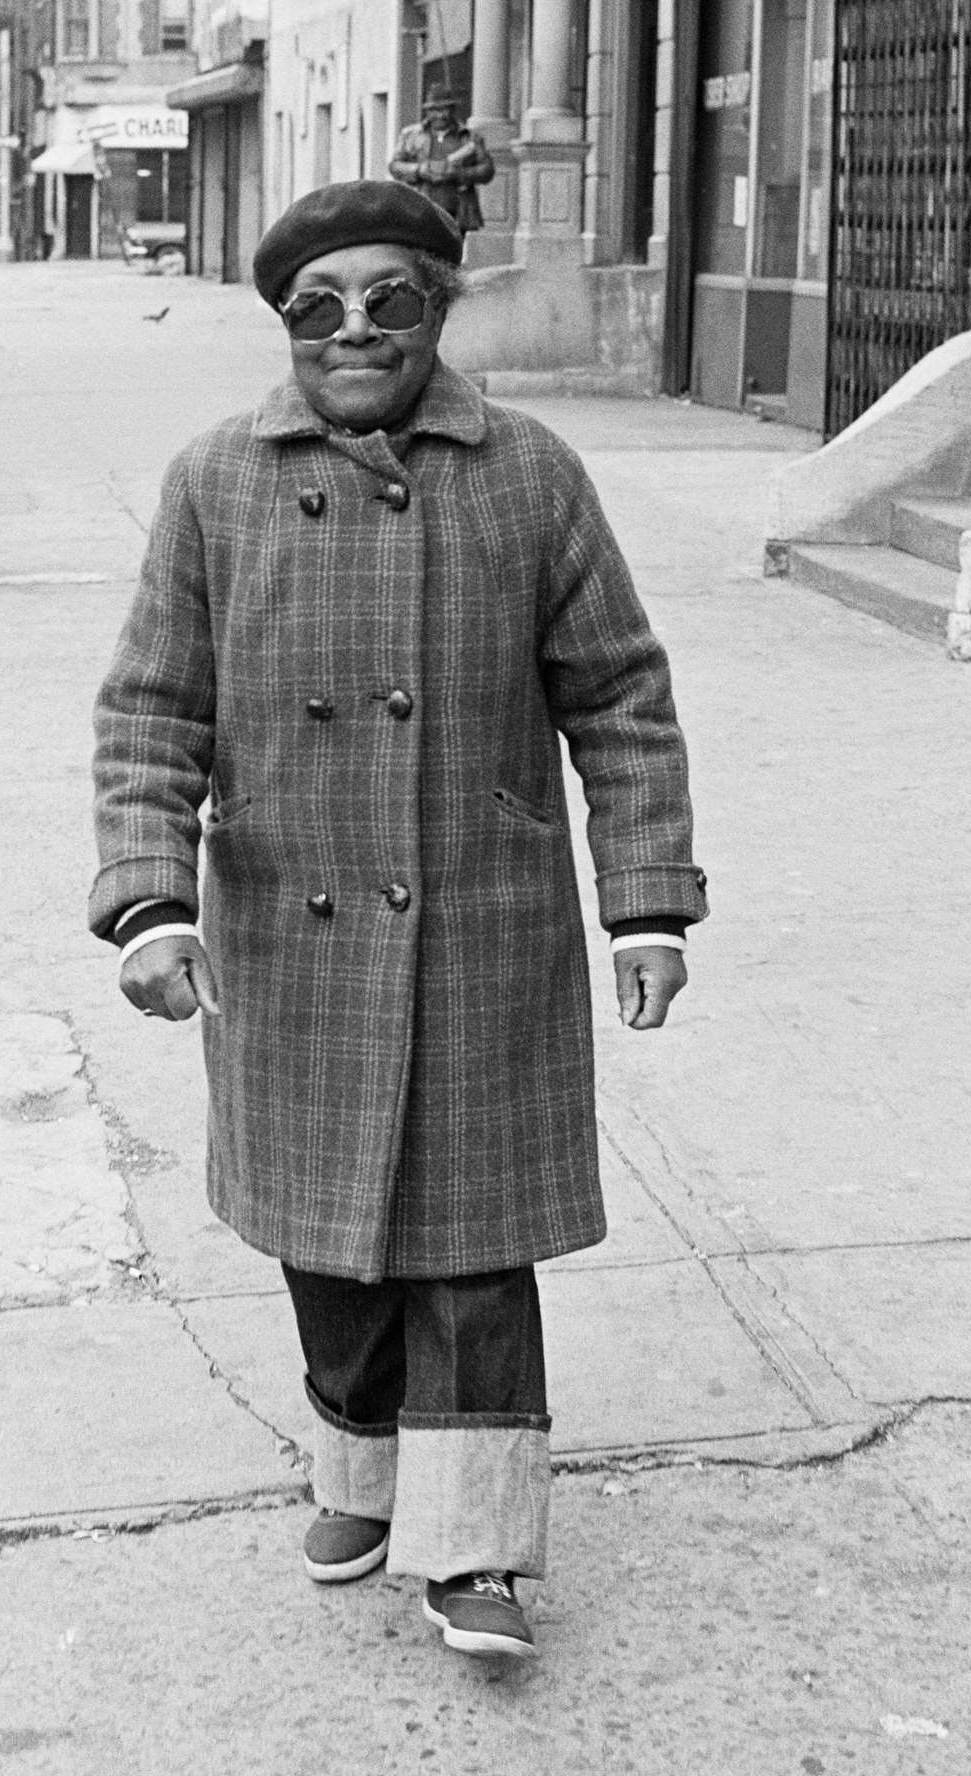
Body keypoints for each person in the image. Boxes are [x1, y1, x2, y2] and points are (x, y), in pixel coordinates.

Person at [89, 180, 707, 1661]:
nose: (353, 332)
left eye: (391, 301)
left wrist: (645, 908)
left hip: (483, 918)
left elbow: (619, 695)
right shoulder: (215, 480)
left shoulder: (531, 473)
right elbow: (151, 709)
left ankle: (475, 1545)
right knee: (326, 1238)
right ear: (283, 323)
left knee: (475, 1247)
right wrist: (147, 900)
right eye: (319, 306)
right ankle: (360, 1469)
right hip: (287, 921)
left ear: (441, 311)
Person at [388, 83, 494, 235]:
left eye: (444, 109)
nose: (439, 115)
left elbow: (487, 169)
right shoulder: (410, 135)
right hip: (419, 209)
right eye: (433, 110)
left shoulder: (470, 137)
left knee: (451, 255)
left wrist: (460, 174)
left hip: (457, 211)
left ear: (452, 110)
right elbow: (394, 166)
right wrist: (418, 170)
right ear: (427, 111)